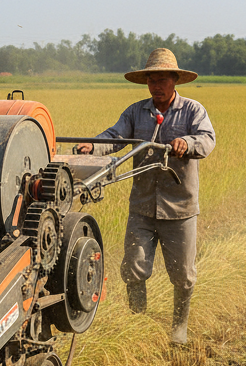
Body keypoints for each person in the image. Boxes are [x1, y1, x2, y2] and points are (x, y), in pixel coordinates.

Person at [74, 48, 215, 345]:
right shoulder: (136, 112)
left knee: (183, 275)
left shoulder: (192, 111)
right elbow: (115, 137)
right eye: (152, 80)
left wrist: (185, 143)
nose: (157, 86)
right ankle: (136, 324)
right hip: (142, 208)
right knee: (134, 268)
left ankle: (179, 328)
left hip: (179, 209)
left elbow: (206, 140)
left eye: (163, 80)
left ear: (175, 80)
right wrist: (92, 147)